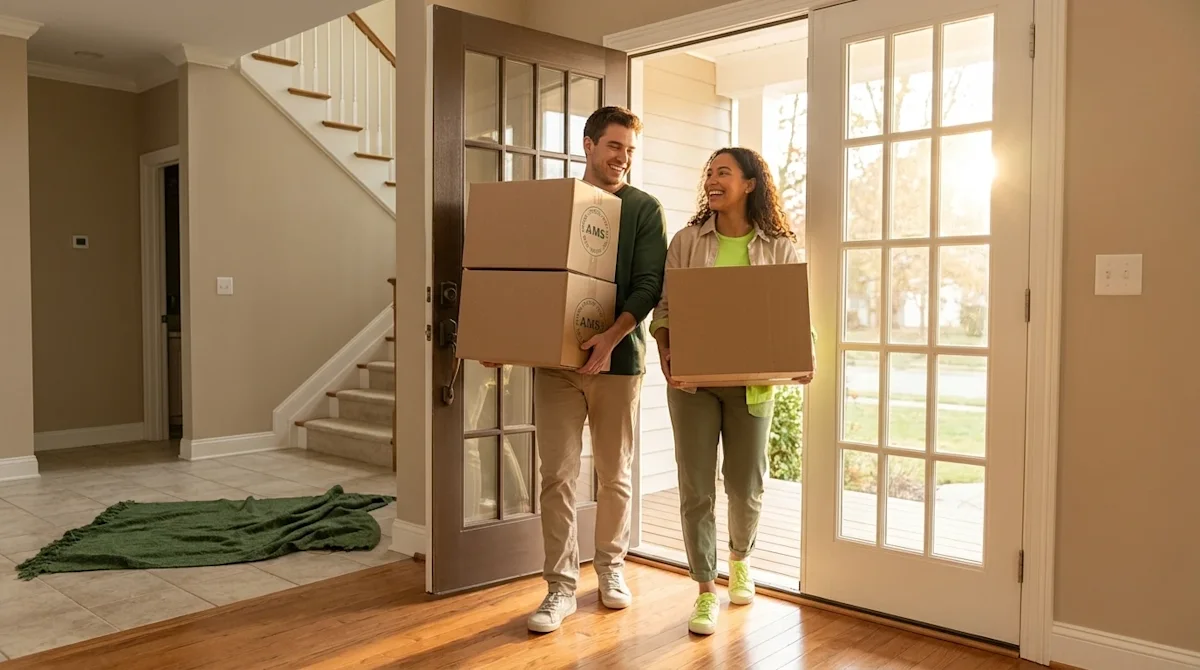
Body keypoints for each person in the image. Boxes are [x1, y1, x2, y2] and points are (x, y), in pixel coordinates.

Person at [486, 107, 668, 634]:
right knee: (557, 476)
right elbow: (531, 276)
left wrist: (611, 339)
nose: (622, 158)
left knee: (614, 475)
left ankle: (611, 569)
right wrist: (506, 341)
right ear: (588, 144)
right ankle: (560, 588)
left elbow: (649, 285)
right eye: (614, 146)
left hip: (619, 363)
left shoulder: (643, 209)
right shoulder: (560, 203)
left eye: (630, 150)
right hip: (558, 365)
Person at [649, 147, 815, 636]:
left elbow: (793, 309)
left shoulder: (780, 246)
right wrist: (666, 350)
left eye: (723, 172)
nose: (712, 181)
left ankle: (740, 559)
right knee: (696, 489)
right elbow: (665, 308)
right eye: (710, 173)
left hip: (753, 386)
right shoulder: (686, 241)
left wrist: (802, 355)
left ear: (749, 184)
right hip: (694, 385)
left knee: (745, 485)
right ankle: (705, 589)